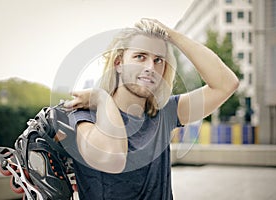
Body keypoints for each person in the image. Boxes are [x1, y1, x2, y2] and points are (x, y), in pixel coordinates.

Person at [63, 18, 239, 200]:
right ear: (118, 63)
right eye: (140, 57)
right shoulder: (84, 118)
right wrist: (102, 98)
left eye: (158, 60)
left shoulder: (165, 113)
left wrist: (172, 36)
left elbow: (226, 84)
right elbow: (114, 158)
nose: (150, 68)